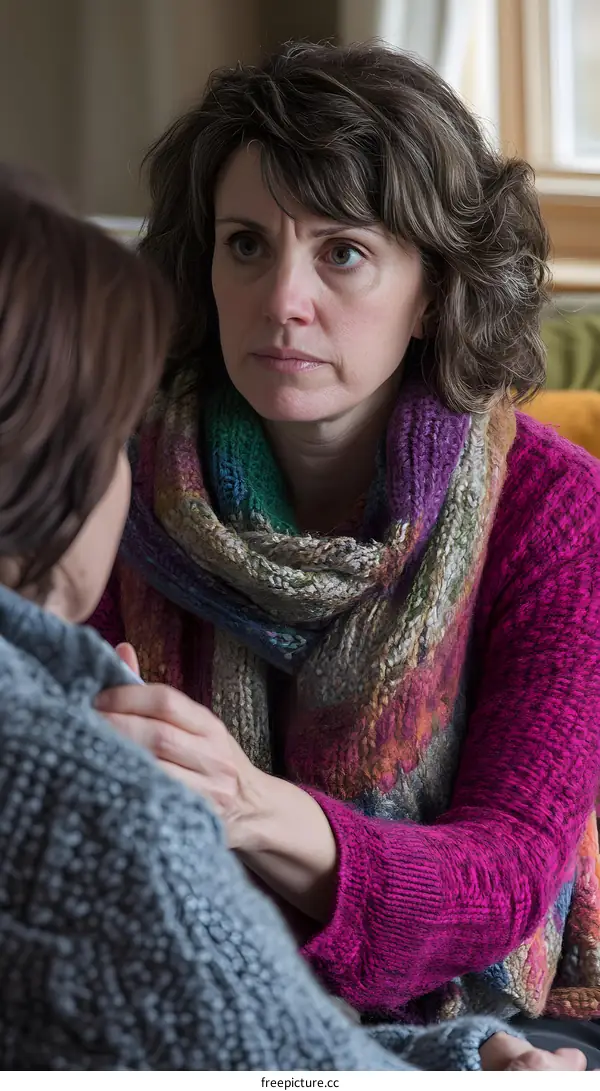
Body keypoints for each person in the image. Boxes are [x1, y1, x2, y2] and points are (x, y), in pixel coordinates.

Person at [2, 162, 587, 1073]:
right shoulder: (87, 469)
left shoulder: (556, 509)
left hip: (484, 997)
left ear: (434, 290)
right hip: (182, 987)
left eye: (342, 252)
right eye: (245, 244)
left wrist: (246, 803)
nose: (282, 300)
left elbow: (508, 874)